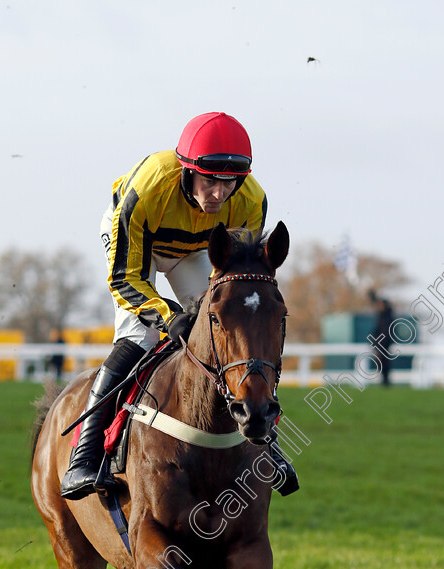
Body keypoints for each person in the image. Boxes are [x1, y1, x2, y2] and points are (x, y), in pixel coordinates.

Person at [61, 112, 298, 500]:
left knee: (230, 335)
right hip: (140, 249)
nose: (220, 195)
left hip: (194, 251)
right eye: (210, 182)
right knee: (139, 335)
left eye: (229, 183)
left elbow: (235, 283)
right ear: (188, 171)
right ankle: (83, 458)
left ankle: (266, 440)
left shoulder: (252, 201)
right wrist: (169, 316)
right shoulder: (149, 189)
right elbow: (126, 279)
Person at [369, 291, 395, 387]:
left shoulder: (387, 316)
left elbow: (386, 331)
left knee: (384, 362)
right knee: (379, 361)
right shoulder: (381, 315)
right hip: (380, 342)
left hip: (384, 343)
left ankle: (385, 381)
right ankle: (384, 381)